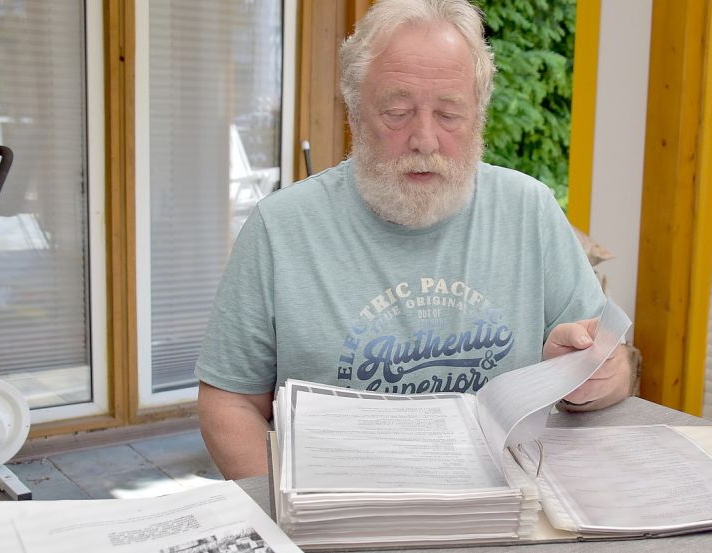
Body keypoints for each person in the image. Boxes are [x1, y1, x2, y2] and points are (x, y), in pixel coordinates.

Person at [195, 0, 632, 480]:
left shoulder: (530, 210)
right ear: (355, 110)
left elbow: (615, 366)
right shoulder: (280, 228)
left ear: (479, 116)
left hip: (501, 508)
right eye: (397, 112)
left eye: (449, 114)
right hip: (338, 510)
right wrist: (285, 514)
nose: (424, 139)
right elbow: (230, 400)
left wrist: (597, 377)